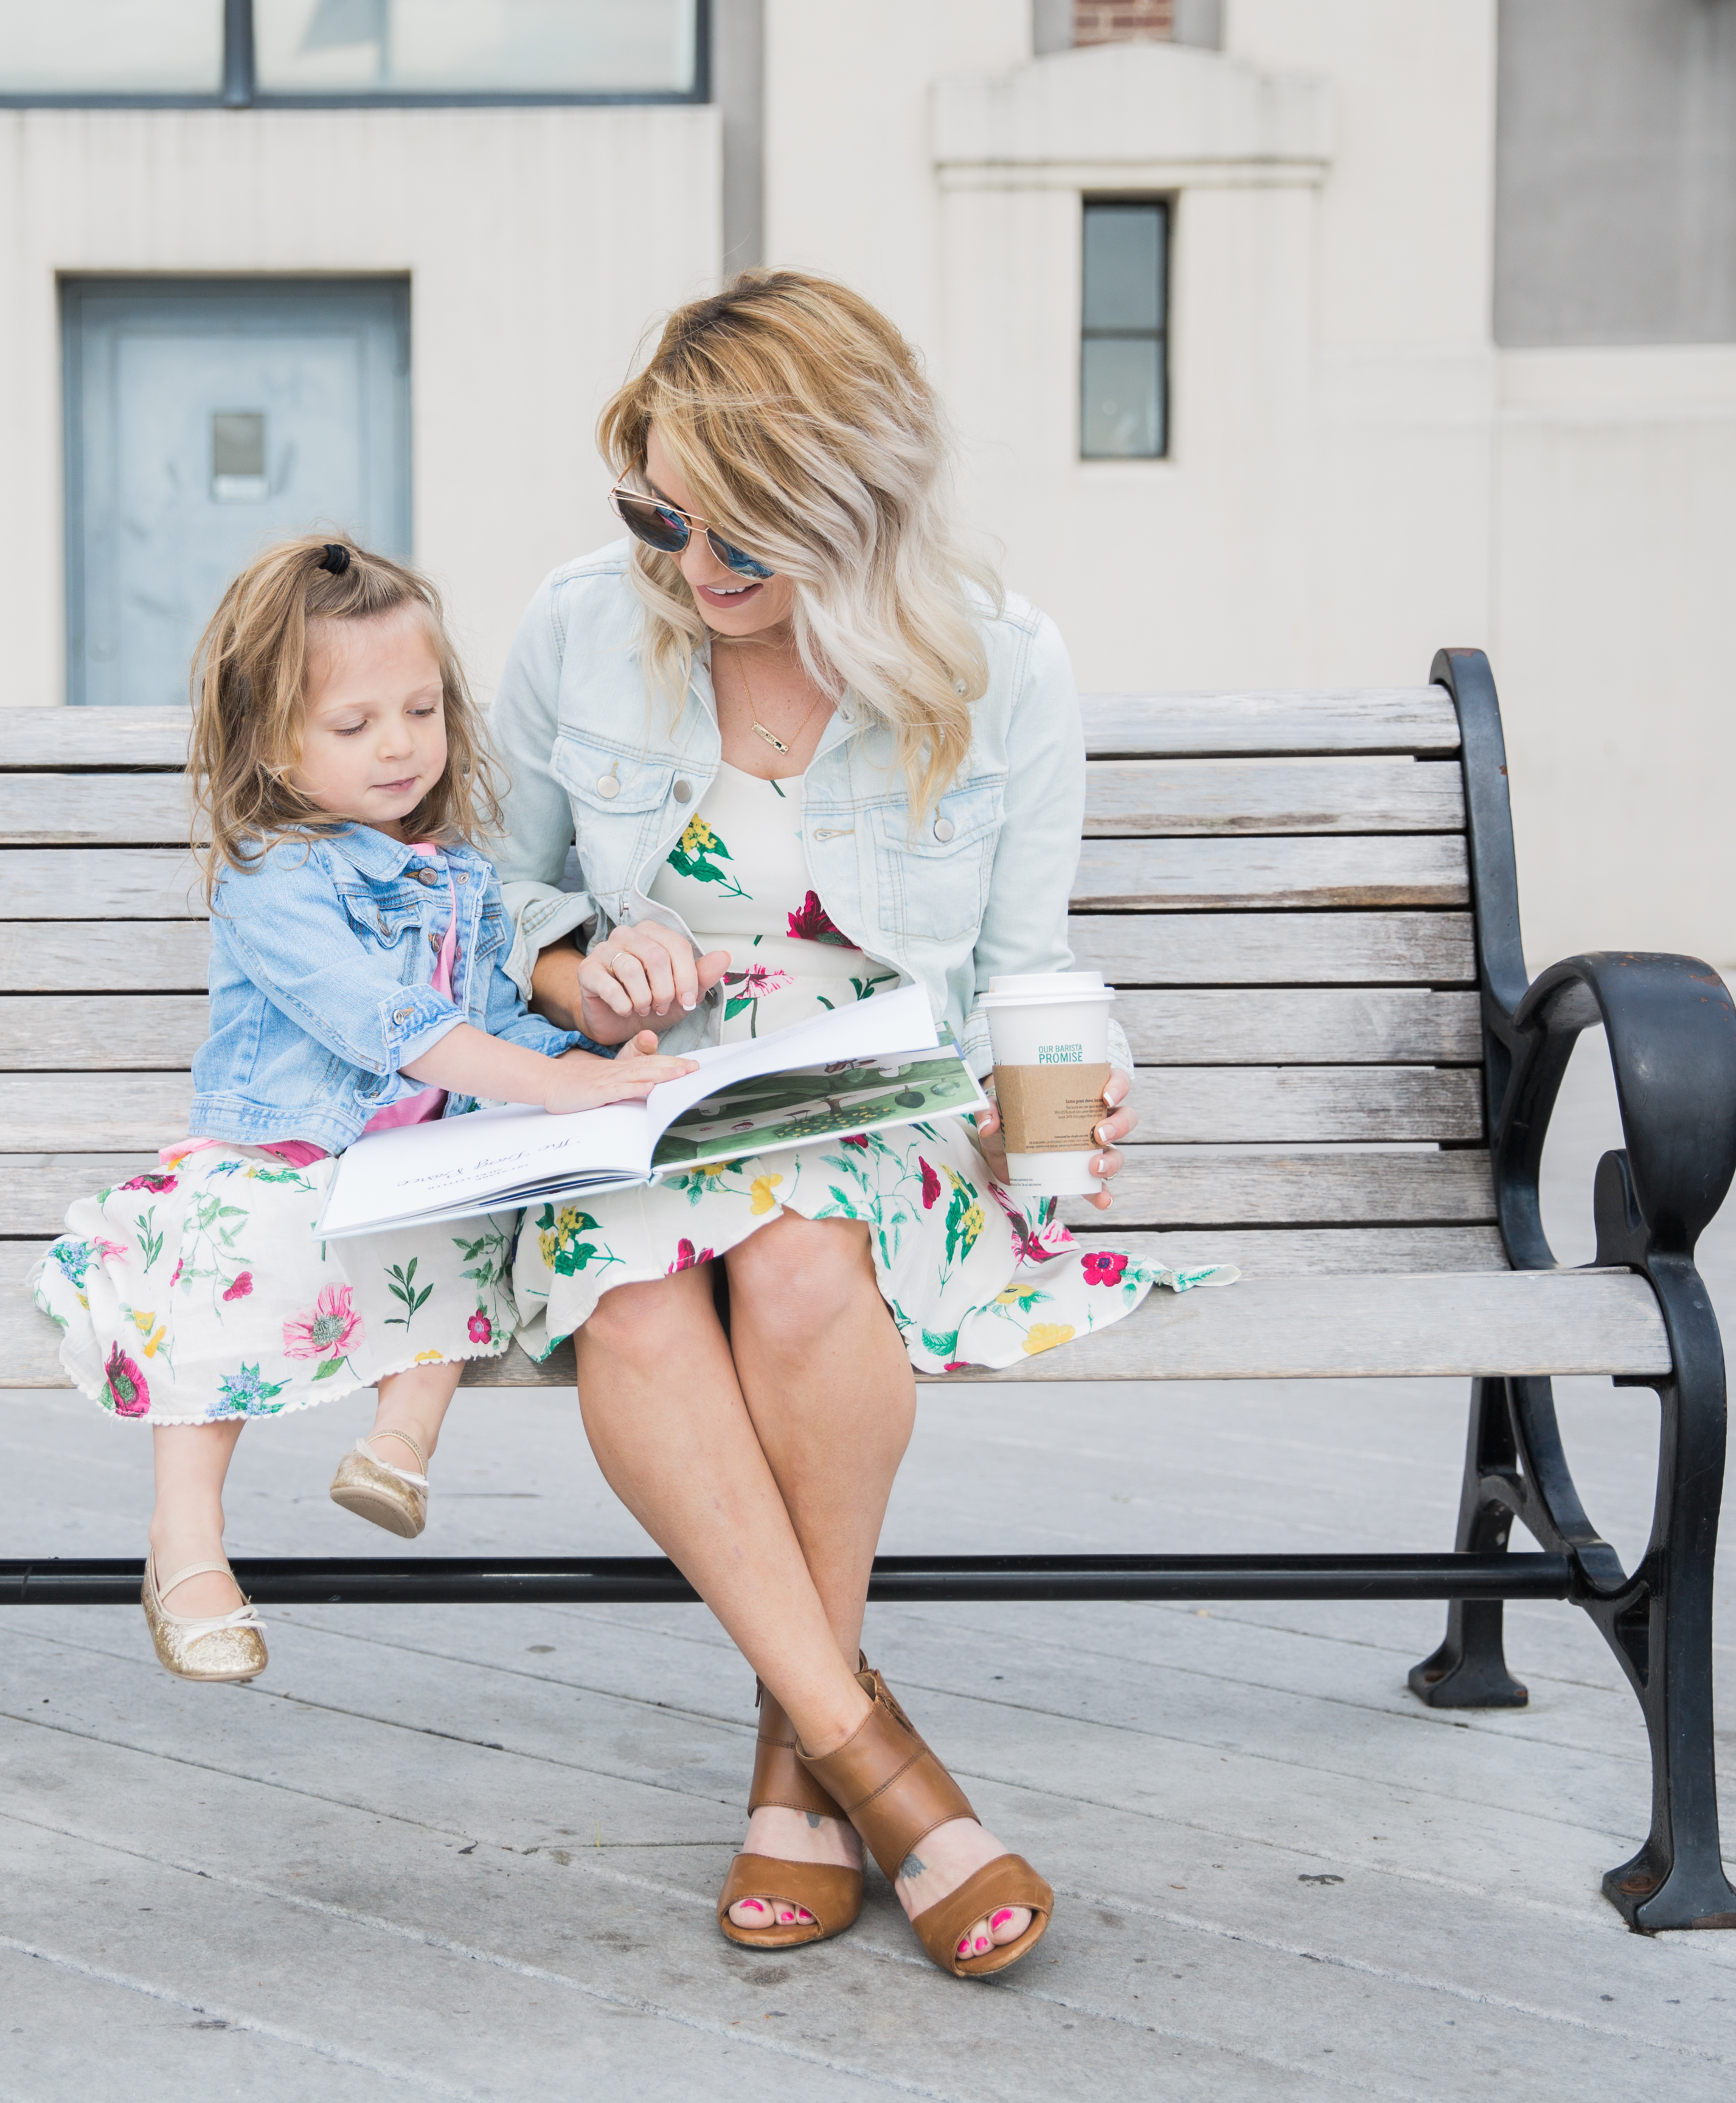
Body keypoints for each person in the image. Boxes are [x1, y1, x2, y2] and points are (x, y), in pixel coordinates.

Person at [490, 273, 1229, 1977]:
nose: (692, 567)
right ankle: (869, 1763)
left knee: (804, 1259)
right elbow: (500, 897)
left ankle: (798, 1761)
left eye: (739, 529)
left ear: (851, 501)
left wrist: (1082, 1076)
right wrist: (583, 966)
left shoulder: (997, 662)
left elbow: (1027, 961)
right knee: (634, 1288)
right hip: (632, 1089)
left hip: (863, 1089)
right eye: (658, 514)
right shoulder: (578, 626)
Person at [33, 537, 702, 1685]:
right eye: (353, 725)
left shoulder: (458, 875)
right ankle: (184, 1542)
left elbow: (496, 1016)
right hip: (279, 1154)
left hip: (412, 1166)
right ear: (270, 742)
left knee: (465, 1220)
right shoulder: (272, 877)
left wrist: (595, 1045)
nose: (399, 745)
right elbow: (380, 1018)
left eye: (422, 709)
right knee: (218, 1257)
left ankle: (398, 1446)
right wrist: (549, 1079)